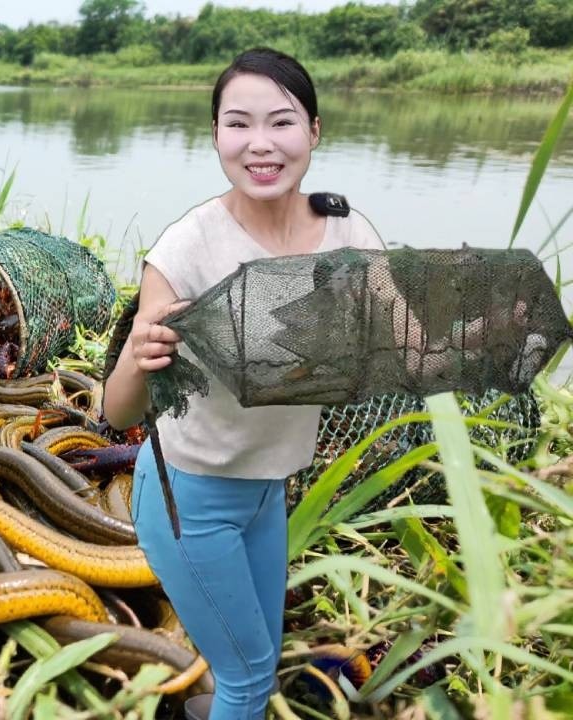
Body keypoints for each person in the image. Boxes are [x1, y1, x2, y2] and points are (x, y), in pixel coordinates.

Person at [101, 48, 386, 720]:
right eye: (238, 124)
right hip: (187, 499)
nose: (261, 144)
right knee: (247, 677)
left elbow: (397, 328)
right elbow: (117, 412)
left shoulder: (345, 227)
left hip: (266, 490)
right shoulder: (185, 250)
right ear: (216, 136)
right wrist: (140, 358)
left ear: (314, 131)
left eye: (281, 122)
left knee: (263, 656)